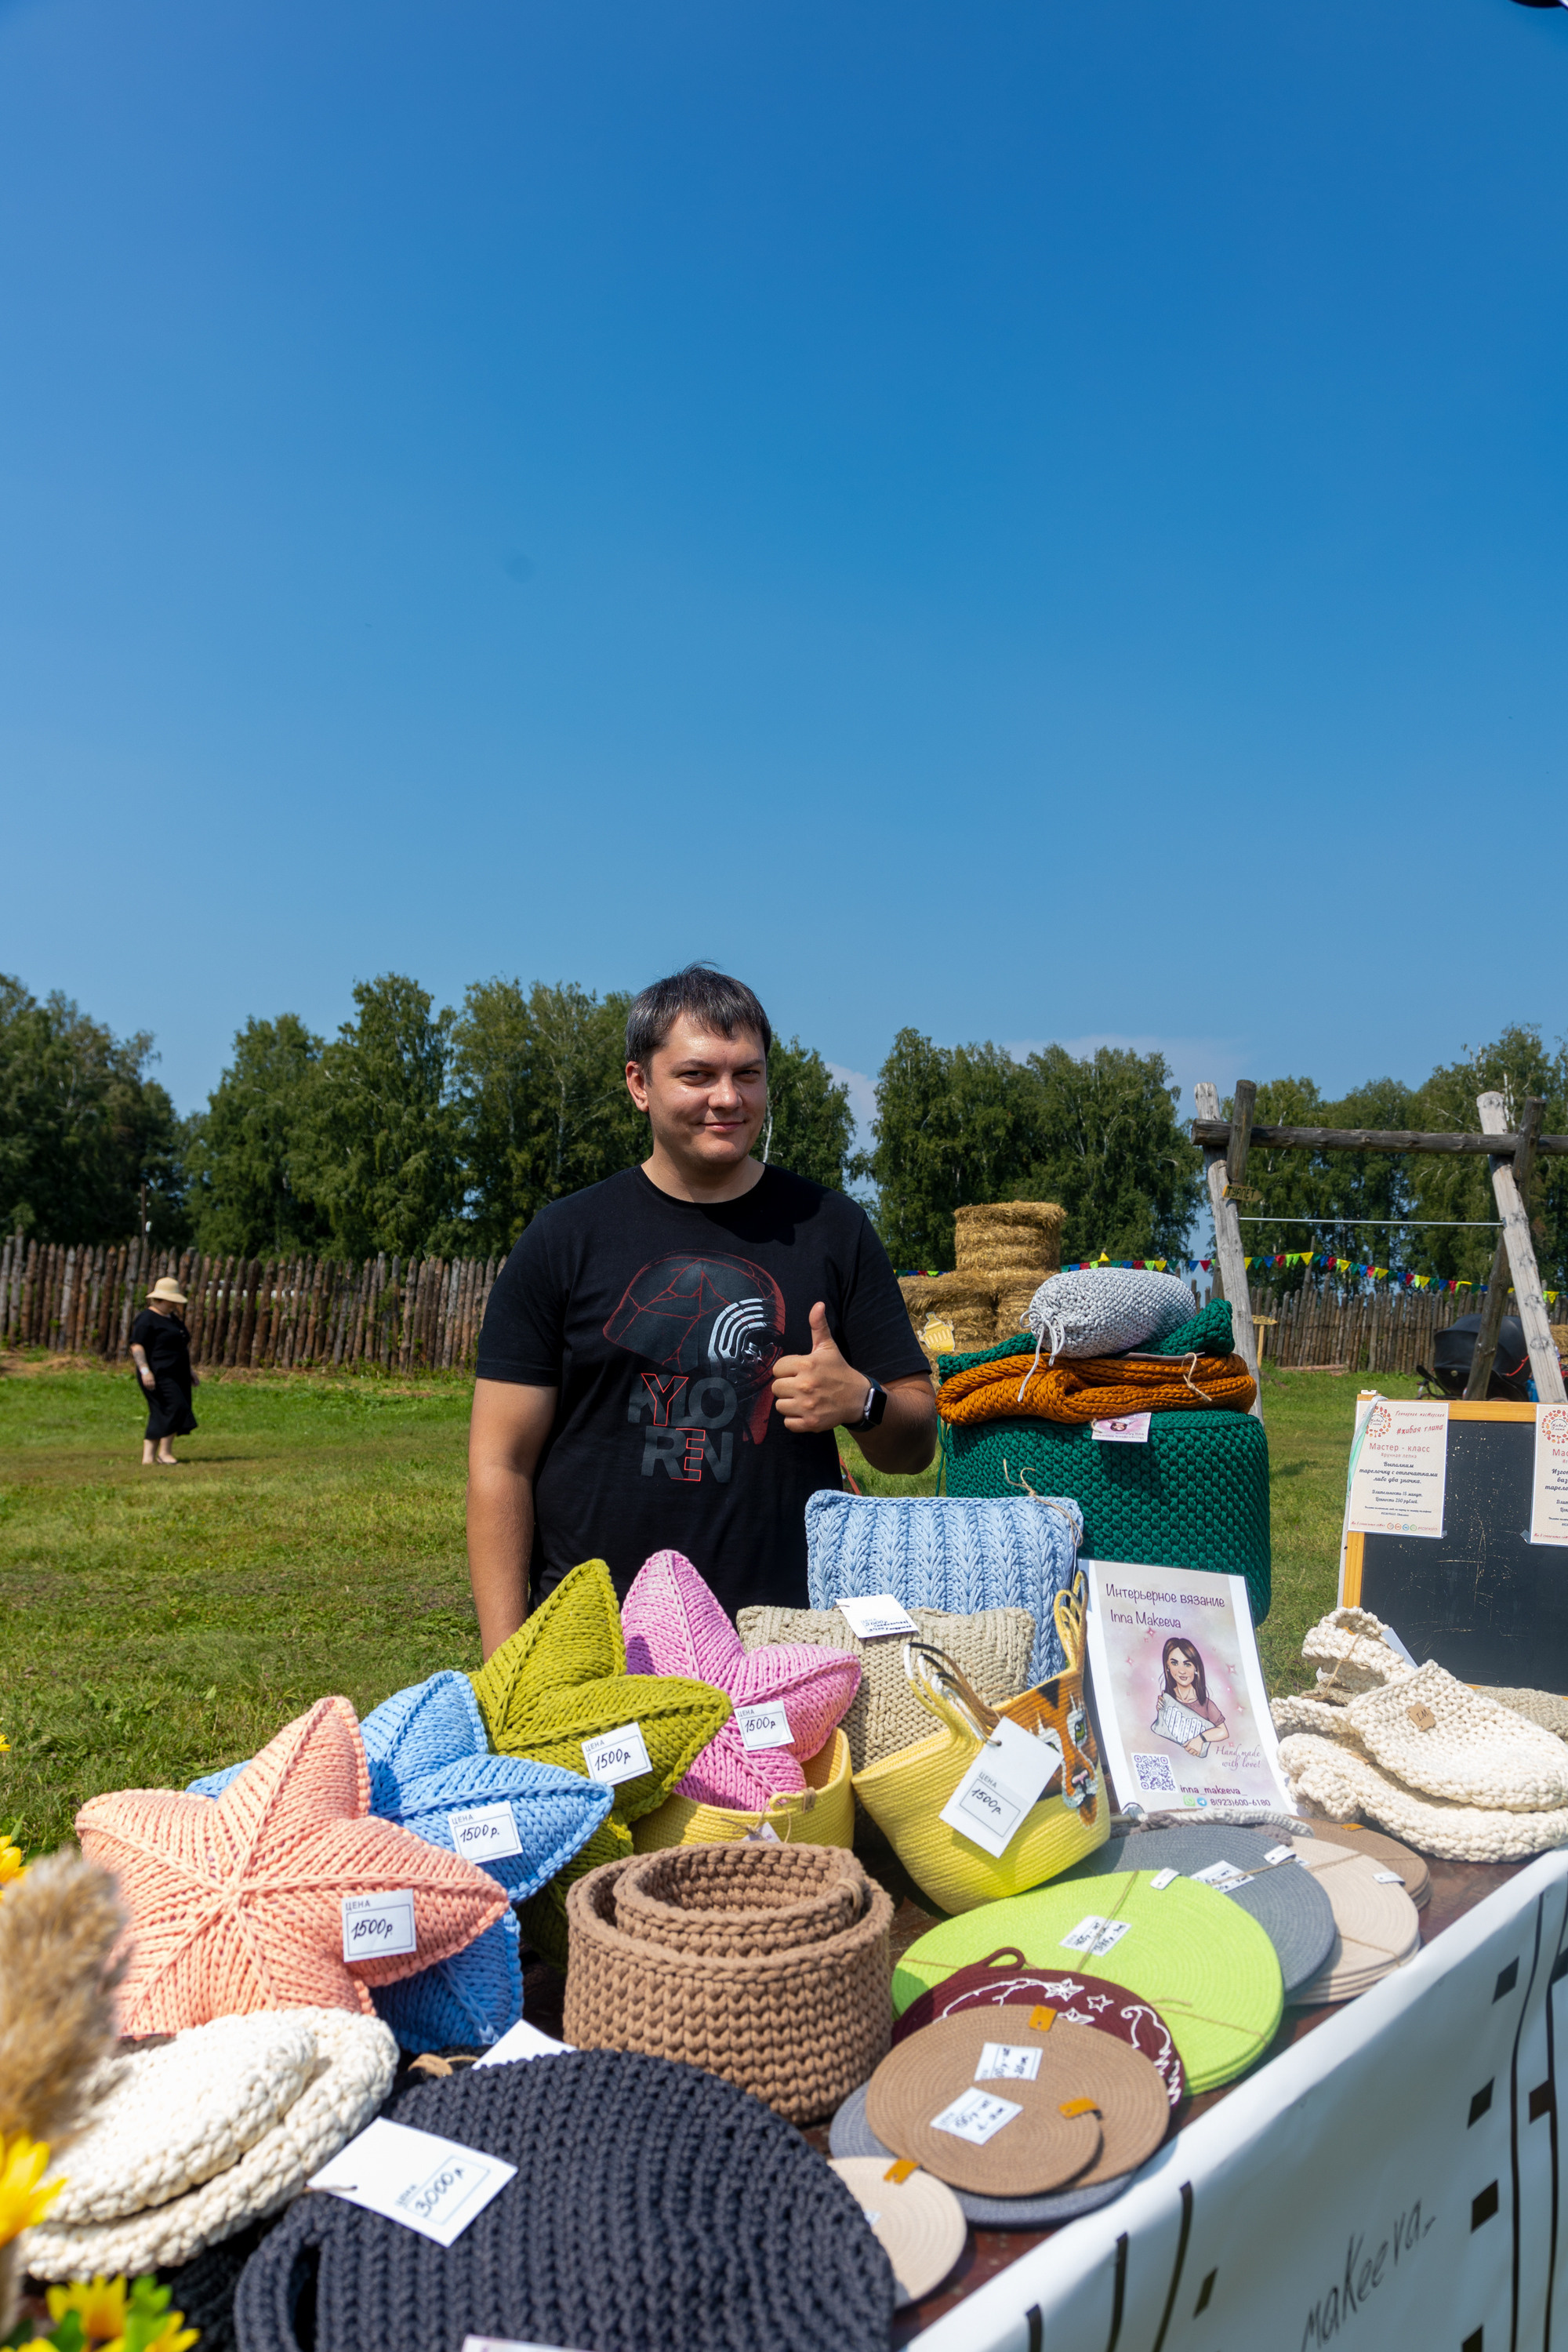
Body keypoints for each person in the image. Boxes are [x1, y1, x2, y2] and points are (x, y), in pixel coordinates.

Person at [466, 965, 937, 1658]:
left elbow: (917, 1441)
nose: (728, 1098)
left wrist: (861, 1403)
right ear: (639, 1084)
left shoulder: (832, 1230)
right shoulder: (565, 1239)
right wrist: (506, 1667)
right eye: (697, 1076)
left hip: (776, 1642)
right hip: (594, 1642)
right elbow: (499, 1463)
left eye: (748, 1074)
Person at [129, 1276, 199, 1466]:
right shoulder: (146, 1319)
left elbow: (179, 1348)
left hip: (178, 1373)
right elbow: (137, 1346)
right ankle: (164, 1454)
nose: (175, 1304)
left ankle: (150, 1458)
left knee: (163, 1411)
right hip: (158, 1373)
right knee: (174, 1407)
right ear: (162, 1298)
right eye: (172, 1300)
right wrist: (145, 1371)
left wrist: (190, 1370)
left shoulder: (173, 1319)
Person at [1152, 1636, 1229, 1758]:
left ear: (1196, 1668)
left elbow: (1223, 1732)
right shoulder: (1167, 1700)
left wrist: (1200, 1739)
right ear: (1167, 1666)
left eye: (1187, 1664)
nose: (1181, 1670)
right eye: (1174, 1663)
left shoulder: (1206, 1704)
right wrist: (1161, 1713)